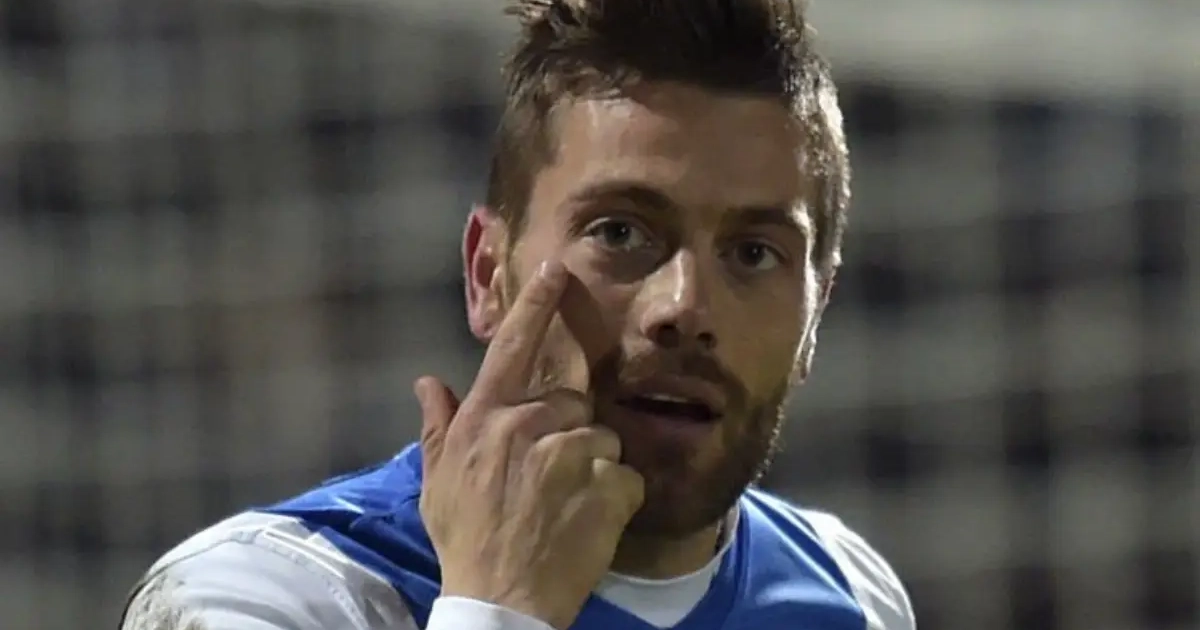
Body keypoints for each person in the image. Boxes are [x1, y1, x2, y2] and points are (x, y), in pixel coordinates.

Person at [120, 1, 916, 629]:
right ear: (486, 275)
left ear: (817, 313)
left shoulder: (854, 594)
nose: (684, 308)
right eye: (620, 233)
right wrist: (496, 608)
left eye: (754, 253)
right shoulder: (268, 595)